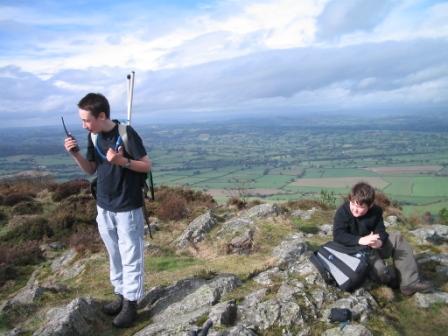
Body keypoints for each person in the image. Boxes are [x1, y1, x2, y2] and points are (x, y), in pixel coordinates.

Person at [64, 93, 151, 327]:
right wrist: (76, 154)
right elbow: (90, 169)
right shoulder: (93, 136)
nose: (83, 125)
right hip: (103, 205)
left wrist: (122, 162)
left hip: (127, 207)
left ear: (102, 115)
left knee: (131, 255)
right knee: (115, 254)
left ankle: (131, 304)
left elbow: (146, 165)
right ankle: (120, 295)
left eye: (86, 120)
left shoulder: (126, 134)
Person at [333, 182, 432, 296]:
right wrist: (361, 240)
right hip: (355, 252)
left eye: (361, 207)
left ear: (370, 206)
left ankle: (409, 283)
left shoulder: (376, 211)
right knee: (382, 272)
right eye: (353, 204)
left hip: (372, 245)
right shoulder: (343, 211)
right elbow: (338, 235)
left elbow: (381, 231)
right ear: (351, 199)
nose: (355, 209)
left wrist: (379, 242)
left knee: (397, 238)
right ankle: (392, 280)